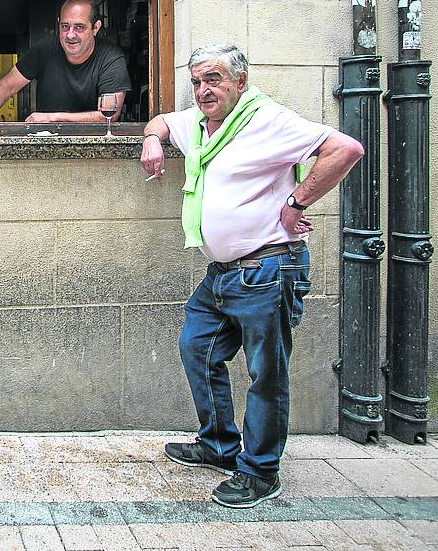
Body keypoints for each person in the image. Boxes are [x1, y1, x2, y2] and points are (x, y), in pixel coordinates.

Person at [139, 43, 364, 508]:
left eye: (214, 79)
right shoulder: (200, 126)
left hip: (267, 268)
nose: (204, 89)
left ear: (240, 81)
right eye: (197, 81)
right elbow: (161, 120)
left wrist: (296, 202)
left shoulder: (267, 120)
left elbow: (345, 149)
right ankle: (220, 446)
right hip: (222, 273)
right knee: (196, 348)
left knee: (266, 374)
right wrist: (152, 139)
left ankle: (261, 472)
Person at [0, 0, 132, 123]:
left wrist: (53, 117)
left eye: (79, 27)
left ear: (96, 27)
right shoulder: (45, 49)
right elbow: (8, 85)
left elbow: (109, 116)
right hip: (47, 142)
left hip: (93, 145)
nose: (70, 35)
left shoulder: (111, 58)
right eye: (65, 26)